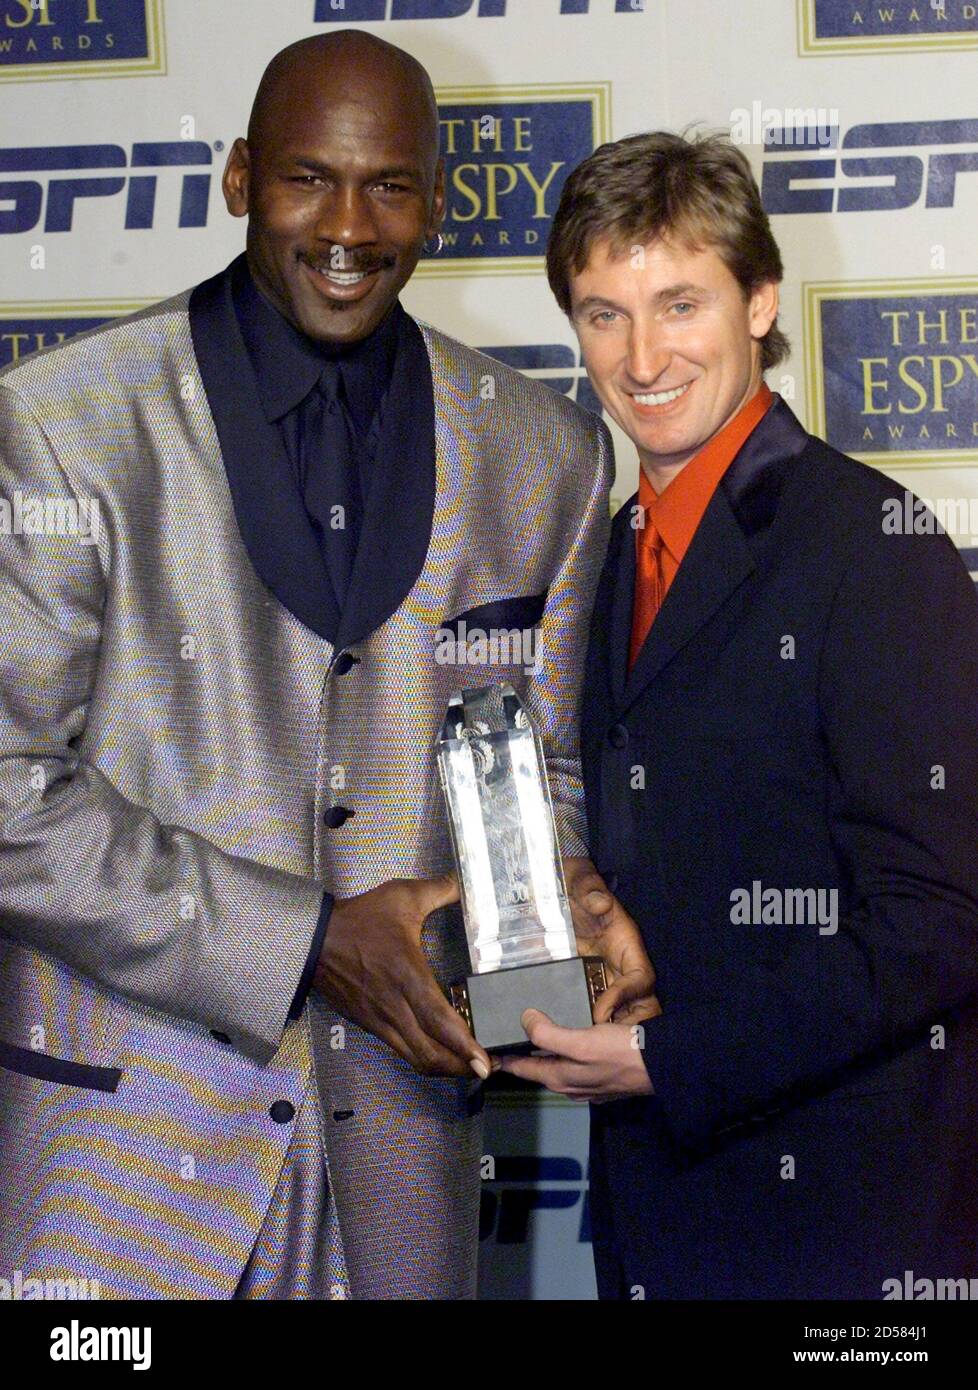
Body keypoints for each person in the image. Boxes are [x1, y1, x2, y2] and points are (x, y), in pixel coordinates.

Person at [0, 31, 614, 1299]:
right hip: (126, 1172)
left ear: (438, 203)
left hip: (403, 1175)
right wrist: (307, 938)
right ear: (237, 180)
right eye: (305, 179)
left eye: (389, 184)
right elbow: (10, 792)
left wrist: (542, 952)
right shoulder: (66, 426)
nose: (348, 224)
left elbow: (538, 775)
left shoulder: (543, 455)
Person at [502, 130, 978, 1300]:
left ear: (761, 301)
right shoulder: (608, 556)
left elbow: (941, 918)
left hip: (850, 1233)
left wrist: (669, 1055)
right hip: (660, 1215)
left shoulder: (873, 544)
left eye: (679, 304)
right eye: (603, 313)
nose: (643, 354)